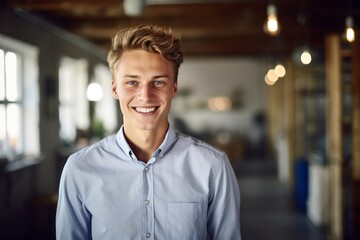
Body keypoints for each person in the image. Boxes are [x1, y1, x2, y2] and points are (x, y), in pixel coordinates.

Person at [56, 24, 241, 240]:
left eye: (158, 82)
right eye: (132, 82)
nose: (145, 95)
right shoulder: (79, 168)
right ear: (115, 88)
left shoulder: (212, 166)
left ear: (174, 88)